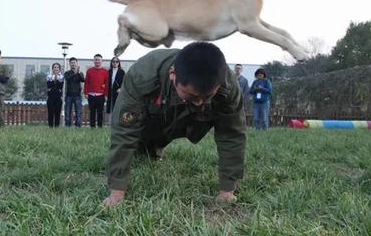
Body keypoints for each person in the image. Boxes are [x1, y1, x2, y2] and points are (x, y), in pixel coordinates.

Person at [103, 42, 246, 207]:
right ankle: (151, 148)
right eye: (193, 95)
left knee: (209, 113)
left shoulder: (229, 86)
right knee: (142, 149)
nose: (200, 102)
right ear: (173, 74)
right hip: (154, 117)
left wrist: (227, 190)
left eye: (207, 96)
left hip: (195, 121)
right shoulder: (142, 75)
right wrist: (117, 191)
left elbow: (232, 135)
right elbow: (124, 131)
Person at [84, 53, 109, 128]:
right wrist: (86, 93)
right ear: (94, 61)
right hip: (91, 95)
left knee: (100, 112)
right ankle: (92, 127)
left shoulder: (105, 71)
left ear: (102, 61)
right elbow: (86, 83)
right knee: (92, 112)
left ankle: (100, 127)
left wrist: (106, 95)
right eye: (96, 60)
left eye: (99, 60)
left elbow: (107, 84)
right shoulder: (89, 71)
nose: (97, 61)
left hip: (101, 95)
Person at [64, 57, 85, 127]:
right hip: (69, 95)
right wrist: (75, 73)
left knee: (78, 112)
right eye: (71, 63)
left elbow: (83, 80)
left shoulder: (80, 73)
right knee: (67, 112)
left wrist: (78, 73)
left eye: (74, 63)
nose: (73, 64)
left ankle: (78, 126)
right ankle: (68, 126)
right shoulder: (67, 73)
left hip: (77, 95)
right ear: (69, 64)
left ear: (77, 64)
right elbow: (68, 79)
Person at [46, 62, 64, 127]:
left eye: (57, 67)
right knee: (50, 112)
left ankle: (56, 127)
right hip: (50, 97)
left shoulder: (62, 76)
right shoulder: (49, 76)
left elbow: (60, 86)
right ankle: (50, 127)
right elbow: (48, 85)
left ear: (59, 69)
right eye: (54, 67)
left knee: (57, 113)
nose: (56, 68)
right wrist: (55, 80)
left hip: (58, 97)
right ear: (52, 69)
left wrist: (54, 81)